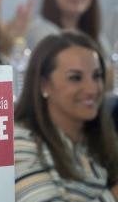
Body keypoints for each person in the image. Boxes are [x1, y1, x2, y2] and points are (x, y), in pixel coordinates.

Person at [14, 31, 118, 201]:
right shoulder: (22, 141)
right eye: (75, 78)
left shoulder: (98, 139)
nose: (92, 89)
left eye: (97, 76)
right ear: (44, 85)